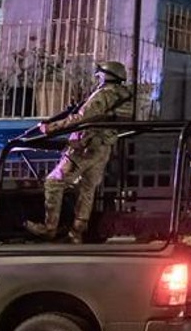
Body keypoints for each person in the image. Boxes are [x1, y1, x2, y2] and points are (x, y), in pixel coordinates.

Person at [22, 60, 132, 243]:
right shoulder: (125, 97)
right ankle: (76, 233)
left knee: (53, 182)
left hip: (85, 145)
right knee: (87, 189)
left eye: (99, 75)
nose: (97, 78)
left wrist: (51, 127)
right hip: (104, 148)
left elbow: (83, 118)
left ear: (105, 75)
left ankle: (49, 228)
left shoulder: (104, 94)